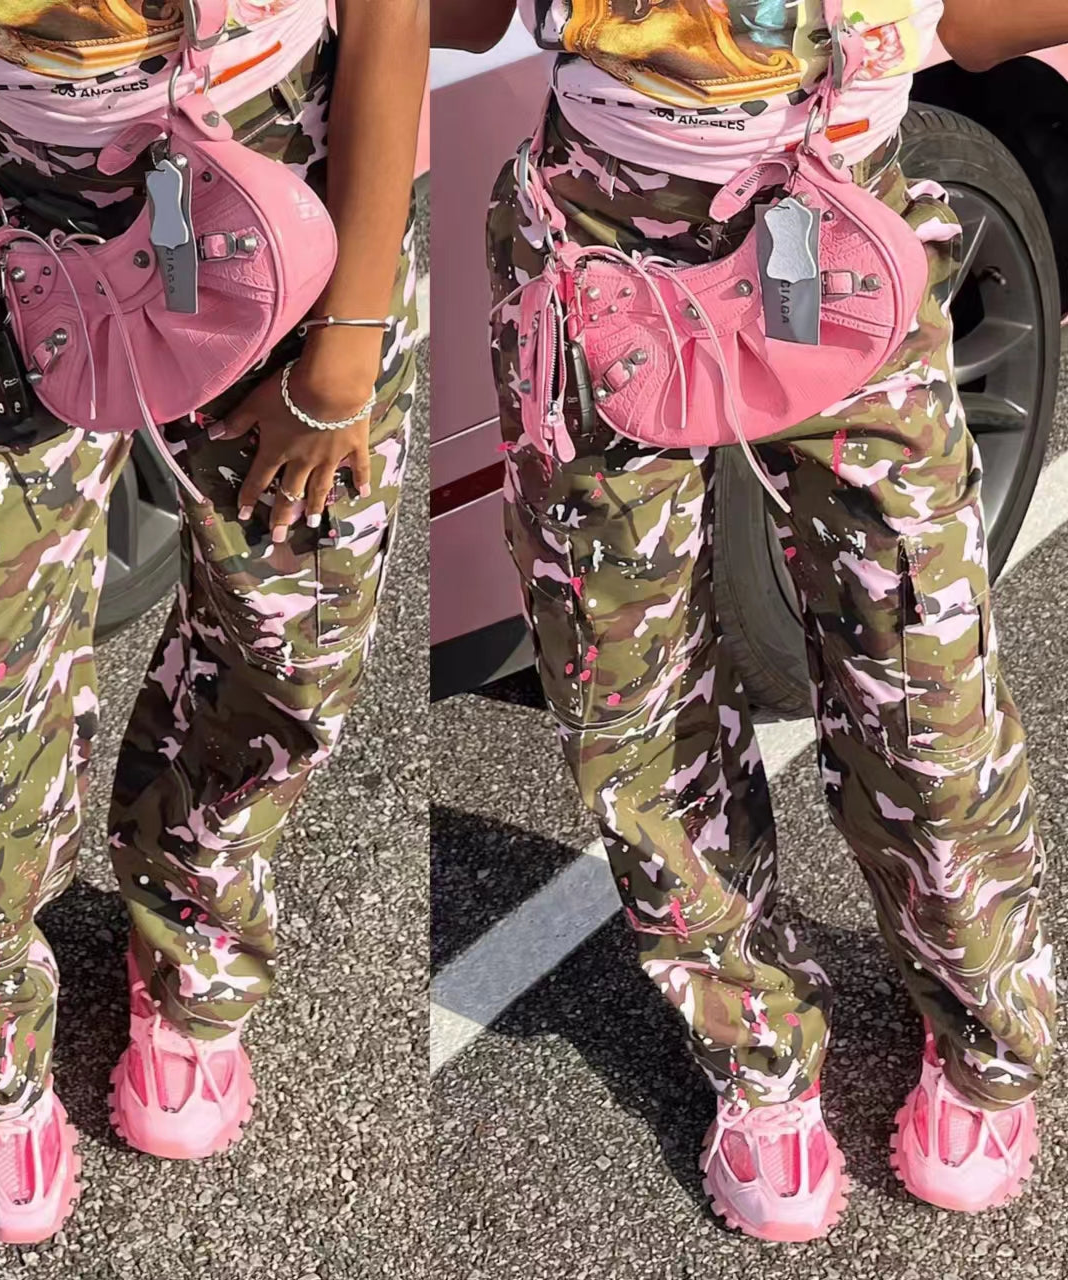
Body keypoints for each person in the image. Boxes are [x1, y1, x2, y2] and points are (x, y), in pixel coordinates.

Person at [434, 0, 1066, 1244]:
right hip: (590, 232)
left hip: (839, 208)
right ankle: (756, 1045)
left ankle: (989, 1034)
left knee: (922, 673)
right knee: (629, 686)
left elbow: (986, 24)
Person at [0, 0, 426, 1246]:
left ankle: (194, 941)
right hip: (22, 198)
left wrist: (347, 341)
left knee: (287, 646)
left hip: (274, 180)